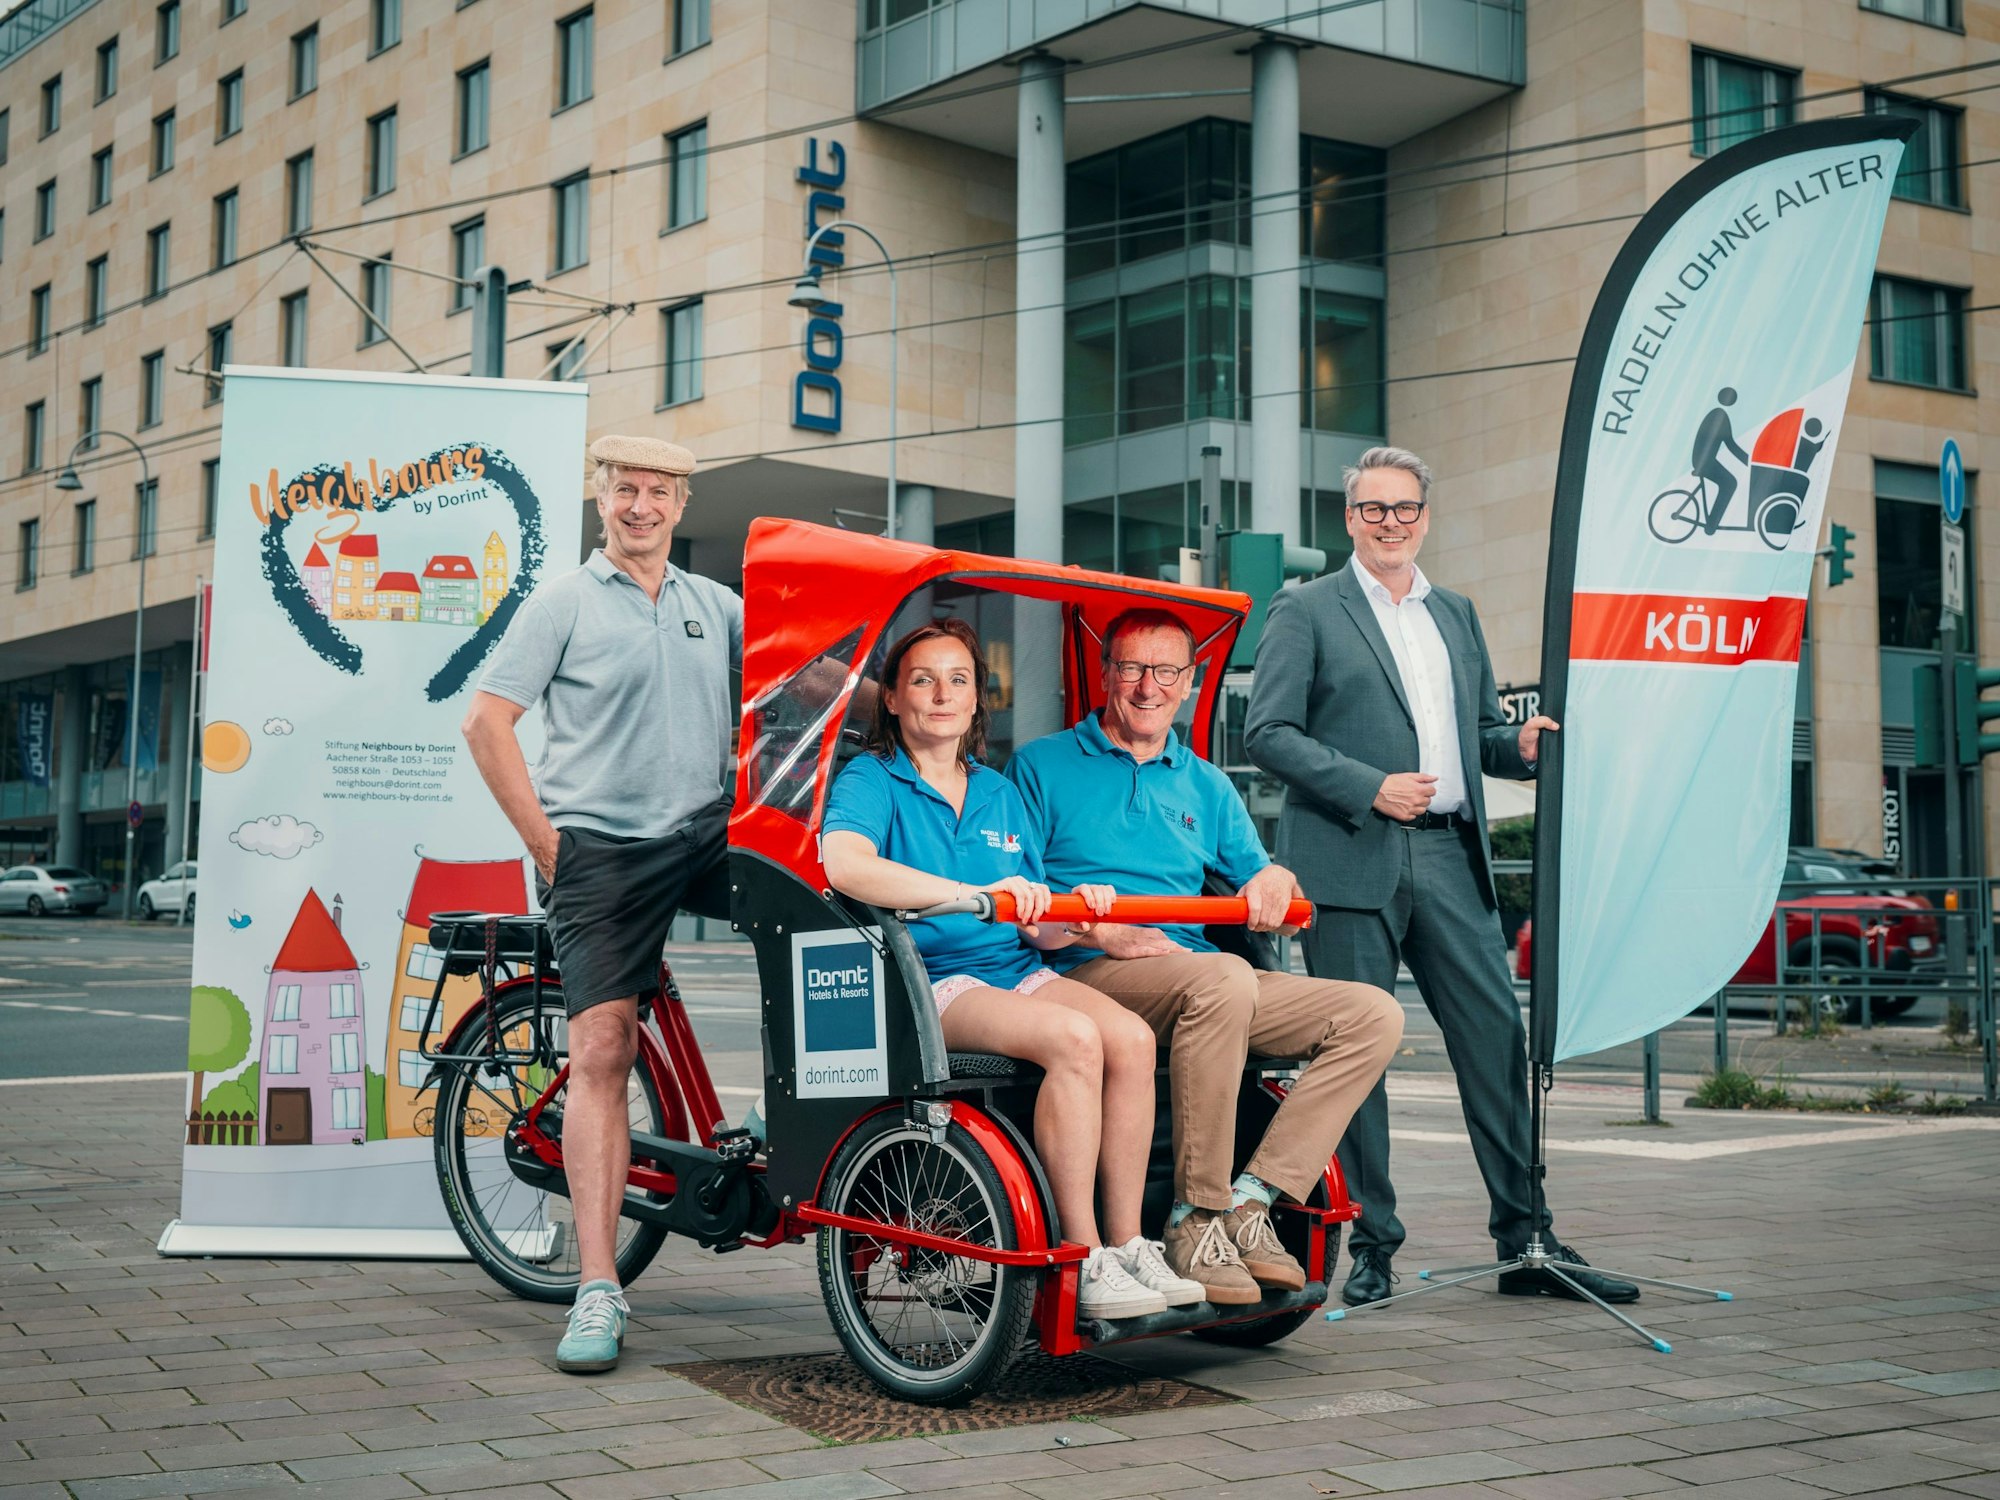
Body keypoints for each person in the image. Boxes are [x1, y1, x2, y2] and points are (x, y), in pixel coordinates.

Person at [1243, 444, 1639, 1308]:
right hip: (1349, 857)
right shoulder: (1304, 608)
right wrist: (1368, 785)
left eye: (1407, 509)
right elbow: (1266, 731)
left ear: (1426, 516)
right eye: (1374, 509)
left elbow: (1484, 732)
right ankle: (1370, 1246)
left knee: (1497, 1045)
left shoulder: (1454, 612)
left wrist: (1519, 748)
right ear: (1350, 519)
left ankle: (1528, 1237)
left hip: (1452, 856)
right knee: (1356, 1060)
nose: (1392, 523)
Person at [1007, 609, 1404, 1307]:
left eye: (1166, 672)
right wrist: (1102, 934)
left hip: (1200, 976)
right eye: (1131, 667)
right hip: (1090, 969)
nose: (1147, 686)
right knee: (1222, 976)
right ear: (1105, 674)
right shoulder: (1041, 765)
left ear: (1188, 684)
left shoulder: (1208, 784)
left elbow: (1259, 875)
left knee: (1372, 1013)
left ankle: (1252, 1201)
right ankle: (1196, 1216)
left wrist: (1276, 877)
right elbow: (1023, 898)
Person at [821, 619, 1207, 1322]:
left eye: (958, 680)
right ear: (897, 701)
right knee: (1075, 1038)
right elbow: (845, 864)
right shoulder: (873, 777)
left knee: (1134, 1040)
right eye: (922, 680)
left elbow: (1038, 927)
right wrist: (966, 897)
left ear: (976, 704)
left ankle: (1127, 1245)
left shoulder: (997, 791)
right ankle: (1083, 1254)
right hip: (931, 978)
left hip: (1013, 967)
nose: (942, 694)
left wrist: (1078, 915)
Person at [463, 435, 741, 1374]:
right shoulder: (565, 603)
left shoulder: (716, 607)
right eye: (626, 489)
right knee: (603, 1049)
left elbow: (797, 686)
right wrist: (548, 843)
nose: (641, 506)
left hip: (707, 830)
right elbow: (485, 721)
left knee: (823, 929)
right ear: (600, 496)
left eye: (659, 491)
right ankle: (595, 1288)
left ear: (680, 504)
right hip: (605, 846)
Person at [1692, 387, 1748, 534]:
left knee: (1729, 482)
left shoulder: (1715, 414)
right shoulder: (1720, 416)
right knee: (1730, 483)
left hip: (1703, 459)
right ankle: (1711, 525)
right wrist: (1749, 461)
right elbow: (1730, 445)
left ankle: (1712, 522)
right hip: (1705, 462)